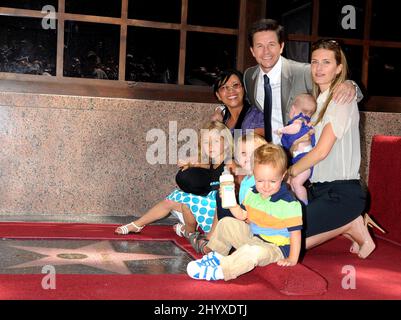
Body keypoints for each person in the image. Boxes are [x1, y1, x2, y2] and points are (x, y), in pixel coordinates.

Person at [287, 39, 383, 259]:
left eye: (326, 62)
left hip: (342, 193)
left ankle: (348, 224)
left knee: (288, 242)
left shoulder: (341, 98)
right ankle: (351, 224)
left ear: (339, 68)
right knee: (279, 229)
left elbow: (321, 152)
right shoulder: (317, 102)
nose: (319, 68)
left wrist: (288, 173)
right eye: (314, 62)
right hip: (317, 191)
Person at [186, 144, 302, 281]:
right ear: (254, 174)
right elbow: (242, 216)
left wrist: (292, 259)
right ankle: (217, 256)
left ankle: (222, 270)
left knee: (251, 252)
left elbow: (295, 234)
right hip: (254, 237)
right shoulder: (252, 193)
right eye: (260, 180)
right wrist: (232, 204)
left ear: (282, 176)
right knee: (225, 223)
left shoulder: (289, 203)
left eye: (272, 181)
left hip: (276, 248)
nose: (265, 186)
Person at [244, 19, 362, 144]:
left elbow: (332, 78)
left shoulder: (302, 72)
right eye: (259, 46)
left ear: (281, 46)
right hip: (266, 152)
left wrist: (351, 85)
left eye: (271, 44)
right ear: (252, 51)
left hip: (298, 152)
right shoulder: (249, 76)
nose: (266, 51)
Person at [115, 121, 233, 239]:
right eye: (207, 142)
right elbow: (204, 165)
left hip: (220, 212)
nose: (211, 146)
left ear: (226, 144)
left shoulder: (230, 163)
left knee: (187, 203)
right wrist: (193, 163)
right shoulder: (212, 162)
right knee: (172, 199)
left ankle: (189, 233)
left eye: (216, 141)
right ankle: (137, 224)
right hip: (209, 206)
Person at [190, 132, 268, 254]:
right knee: (222, 198)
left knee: (226, 210)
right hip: (244, 218)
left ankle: (214, 248)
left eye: (254, 153)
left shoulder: (261, 179)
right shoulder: (247, 178)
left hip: (256, 226)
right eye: (243, 154)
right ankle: (216, 245)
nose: (248, 157)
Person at [275, 93, 316, 204]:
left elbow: (295, 128)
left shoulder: (299, 120)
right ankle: (295, 204)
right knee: (292, 183)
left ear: (293, 109)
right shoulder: (306, 122)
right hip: (299, 158)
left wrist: (281, 130)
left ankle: (304, 205)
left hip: (305, 158)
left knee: (297, 183)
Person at [211, 69, 265, 137]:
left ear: (243, 89)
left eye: (235, 85)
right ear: (218, 95)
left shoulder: (256, 116)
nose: (231, 90)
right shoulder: (223, 119)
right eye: (224, 87)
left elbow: (256, 144)